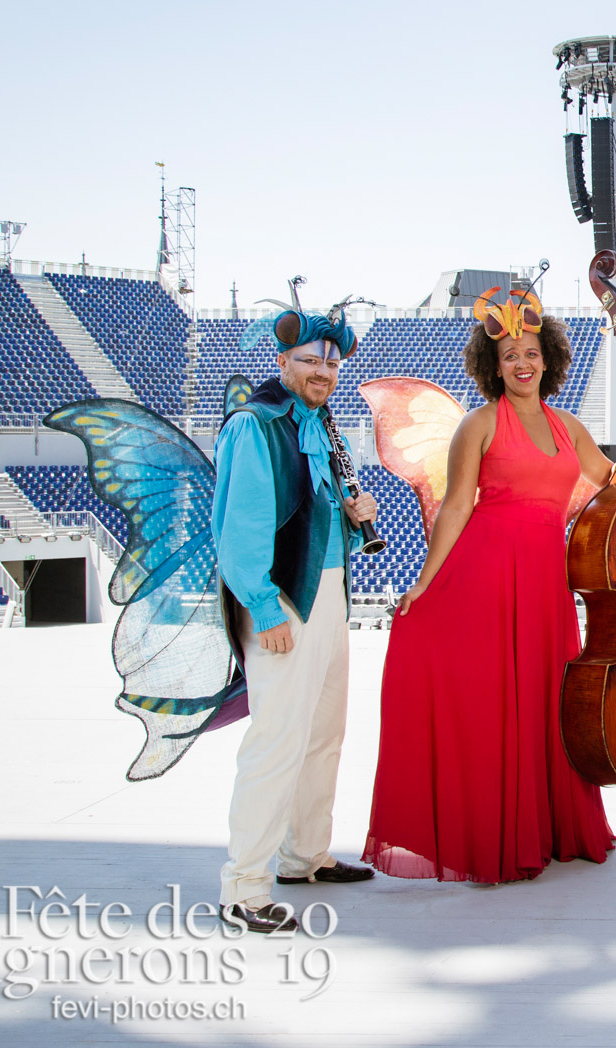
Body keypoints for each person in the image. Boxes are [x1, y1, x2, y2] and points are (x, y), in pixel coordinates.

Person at [362, 289, 616, 884]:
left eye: (531, 352)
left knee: (544, 702)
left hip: (545, 583)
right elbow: (456, 508)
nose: (522, 363)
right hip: (484, 574)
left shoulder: (568, 426)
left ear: (548, 358)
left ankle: (545, 827)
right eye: (510, 356)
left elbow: (610, 478)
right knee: (492, 702)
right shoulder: (478, 424)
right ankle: (494, 832)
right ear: (494, 365)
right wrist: (424, 583)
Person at [213, 304, 379, 934]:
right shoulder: (254, 425)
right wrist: (262, 608)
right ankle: (243, 888)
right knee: (277, 740)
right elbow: (241, 528)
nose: (323, 373)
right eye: (310, 361)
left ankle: (304, 856)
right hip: (283, 598)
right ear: (282, 361)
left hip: (330, 593)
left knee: (322, 734)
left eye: (331, 365)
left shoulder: (322, 422)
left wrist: (355, 517)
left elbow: (318, 517)